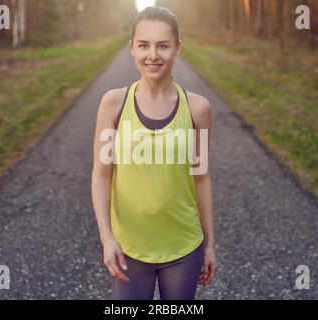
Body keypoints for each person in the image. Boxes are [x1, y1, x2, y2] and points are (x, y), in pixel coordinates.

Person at [91, 6, 216, 300]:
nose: (153, 55)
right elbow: (101, 174)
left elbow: (202, 178)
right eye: (143, 45)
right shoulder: (113, 105)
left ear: (177, 49)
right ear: (131, 48)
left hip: (183, 247)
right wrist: (107, 238)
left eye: (163, 45)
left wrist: (210, 244)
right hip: (129, 248)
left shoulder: (198, 109)